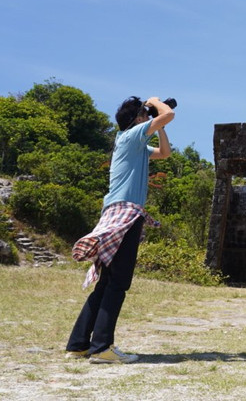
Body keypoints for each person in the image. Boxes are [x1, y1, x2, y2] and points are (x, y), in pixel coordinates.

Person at [65, 95, 174, 364]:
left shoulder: (131, 142)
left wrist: (158, 123)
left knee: (107, 282)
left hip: (115, 212)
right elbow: (169, 114)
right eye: (144, 115)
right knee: (119, 282)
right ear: (136, 120)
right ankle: (102, 347)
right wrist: (156, 102)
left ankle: (79, 344)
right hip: (126, 213)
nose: (148, 117)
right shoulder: (130, 136)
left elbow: (164, 153)